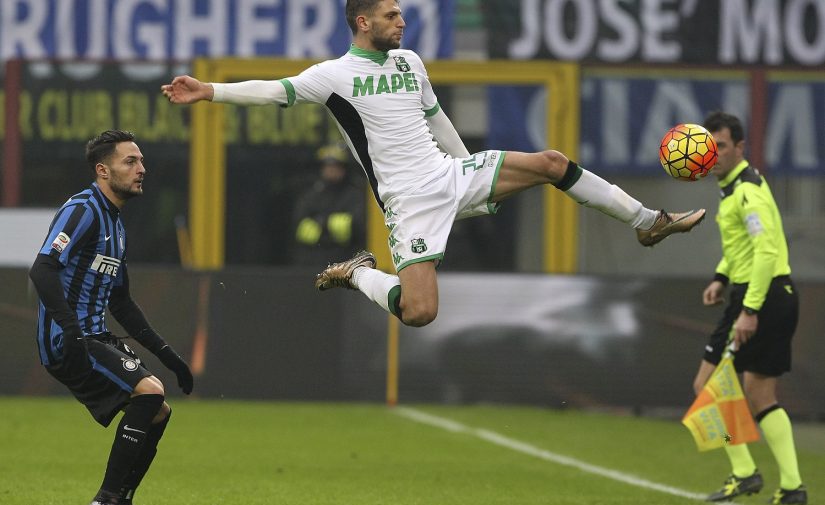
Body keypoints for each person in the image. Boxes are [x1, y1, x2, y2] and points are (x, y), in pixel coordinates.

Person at [161, 0, 706, 328]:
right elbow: (272, 90)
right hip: (409, 201)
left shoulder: (410, 61)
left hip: (450, 176)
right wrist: (208, 89)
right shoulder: (332, 75)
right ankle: (359, 276)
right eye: (391, 14)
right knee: (420, 312)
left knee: (551, 161)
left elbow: (437, 116)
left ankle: (648, 222)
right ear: (361, 21)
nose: (403, 20)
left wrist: (472, 173)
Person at [29, 130, 194, 505]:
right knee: (149, 393)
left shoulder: (116, 226)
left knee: (157, 411)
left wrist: (169, 356)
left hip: (93, 336)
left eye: (141, 161)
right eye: (130, 162)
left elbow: (121, 303)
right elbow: (43, 269)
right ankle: (104, 503)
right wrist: (70, 330)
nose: (142, 169)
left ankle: (120, 501)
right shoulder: (83, 210)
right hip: (68, 340)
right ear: (103, 170)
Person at [692, 112, 806, 505]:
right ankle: (791, 487)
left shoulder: (746, 190)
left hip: (761, 297)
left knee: (706, 388)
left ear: (740, 148)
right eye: (709, 147)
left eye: (721, 146)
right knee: (759, 393)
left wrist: (750, 309)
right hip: (772, 294)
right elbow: (744, 247)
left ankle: (744, 472)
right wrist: (720, 277)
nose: (713, 154)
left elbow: (766, 249)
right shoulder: (736, 187)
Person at [291, 143, 366, 267]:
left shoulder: (355, 194)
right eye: (327, 166)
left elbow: (356, 226)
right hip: (313, 263)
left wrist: (321, 223)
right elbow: (300, 229)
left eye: (336, 166)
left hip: (346, 263)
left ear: (344, 169)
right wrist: (334, 226)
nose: (331, 170)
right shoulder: (311, 195)